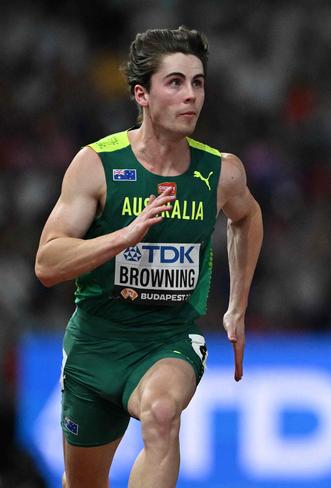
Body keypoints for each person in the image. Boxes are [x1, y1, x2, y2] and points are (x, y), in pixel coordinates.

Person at [35, 26, 263, 488]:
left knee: (162, 415)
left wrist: (237, 304)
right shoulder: (96, 165)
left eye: (198, 83)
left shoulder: (221, 172)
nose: (191, 96)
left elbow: (247, 218)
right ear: (142, 94)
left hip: (168, 340)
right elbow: (47, 263)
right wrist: (123, 237)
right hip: (95, 345)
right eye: (175, 82)